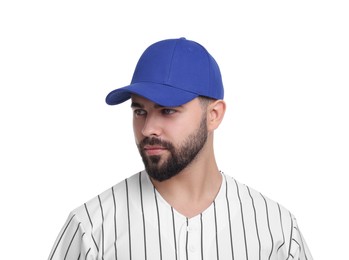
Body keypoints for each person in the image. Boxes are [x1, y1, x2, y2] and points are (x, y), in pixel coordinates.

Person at [48, 37, 313, 260]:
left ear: (214, 115)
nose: (148, 128)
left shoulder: (276, 229)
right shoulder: (92, 228)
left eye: (168, 110)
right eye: (140, 111)